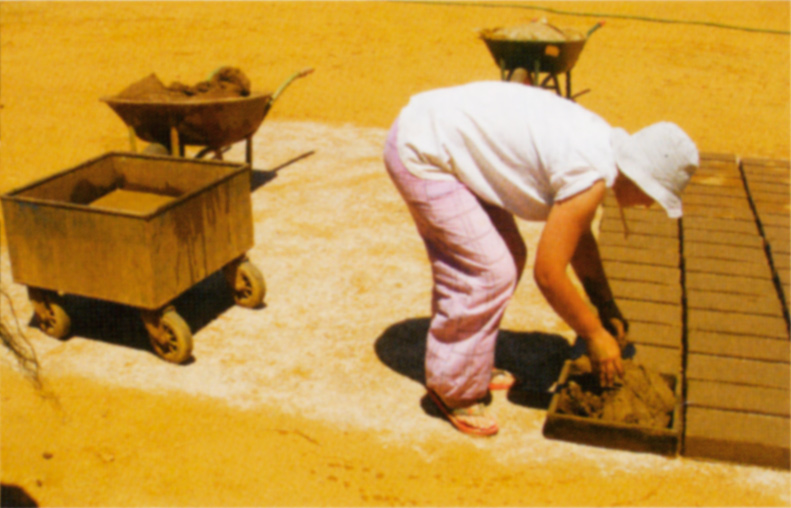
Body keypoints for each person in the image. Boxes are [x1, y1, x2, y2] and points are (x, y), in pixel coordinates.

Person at [382, 81, 698, 437]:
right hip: (422, 150)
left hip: (443, 138)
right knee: (487, 272)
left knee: (507, 255)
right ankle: (450, 389)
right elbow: (548, 275)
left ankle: (467, 362)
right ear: (640, 177)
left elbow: (577, 237)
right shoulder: (590, 172)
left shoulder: (601, 151)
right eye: (653, 195)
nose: (649, 204)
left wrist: (604, 302)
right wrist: (592, 333)